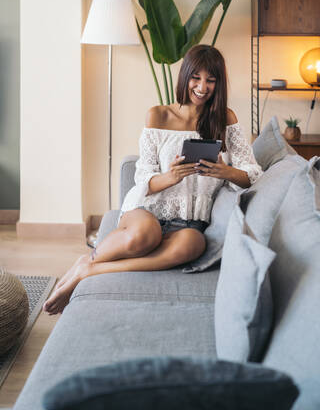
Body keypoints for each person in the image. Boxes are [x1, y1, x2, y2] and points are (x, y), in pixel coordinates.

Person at [43, 44, 262, 315]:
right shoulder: (158, 115)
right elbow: (143, 176)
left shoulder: (225, 119)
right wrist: (169, 177)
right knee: (147, 234)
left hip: (190, 223)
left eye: (211, 80)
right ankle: (86, 263)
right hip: (147, 211)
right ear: (185, 77)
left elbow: (252, 173)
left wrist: (223, 171)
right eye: (196, 77)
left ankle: (90, 268)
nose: (202, 87)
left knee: (195, 244)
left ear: (218, 84)